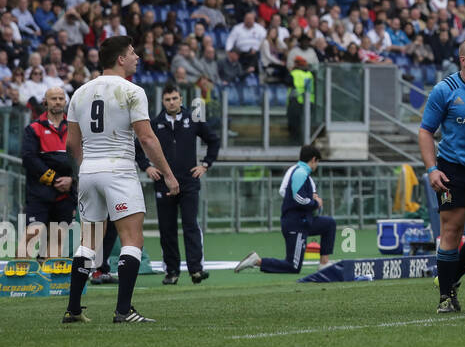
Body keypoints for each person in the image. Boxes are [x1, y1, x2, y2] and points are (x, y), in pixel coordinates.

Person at [63, 37, 181, 324]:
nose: (137, 57)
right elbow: (146, 137)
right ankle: (123, 310)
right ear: (120, 59)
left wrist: (87, 166)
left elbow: (70, 143)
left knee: (88, 241)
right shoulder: (132, 91)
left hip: (89, 169)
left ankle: (74, 309)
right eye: (132, 53)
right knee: (132, 239)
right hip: (119, 169)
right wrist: (167, 173)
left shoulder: (79, 93)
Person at [419, 39, 465, 314]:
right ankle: (445, 297)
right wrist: (431, 168)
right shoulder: (444, 90)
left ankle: (454, 278)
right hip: (453, 169)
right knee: (451, 230)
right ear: (463, 60)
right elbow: (426, 130)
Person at [134, 83, 219, 284]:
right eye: (167, 99)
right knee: (167, 228)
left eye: (174, 98)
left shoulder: (194, 119)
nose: (171, 102)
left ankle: (196, 270)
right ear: (162, 102)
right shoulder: (155, 123)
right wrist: (147, 166)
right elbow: (138, 146)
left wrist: (205, 165)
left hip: (189, 182)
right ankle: (171, 271)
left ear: (181, 99)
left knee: (191, 225)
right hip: (163, 183)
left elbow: (213, 140)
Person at [234, 145, 336, 275]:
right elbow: (298, 198)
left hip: (304, 222)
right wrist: (314, 203)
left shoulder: (304, 174)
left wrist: (313, 199)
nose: (317, 165)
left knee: (329, 224)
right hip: (296, 224)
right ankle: (257, 261)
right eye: (318, 162)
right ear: (313, 159)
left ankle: (324, 263)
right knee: (293, 267)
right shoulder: (300, 173)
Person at [21, 87, 74, 259]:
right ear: (45, 102)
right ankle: (18, 281)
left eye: (61, 98)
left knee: (57, 240)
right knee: (31, 236)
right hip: (39, 193)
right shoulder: (33, 128)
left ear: (66, 102)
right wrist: (56, 179)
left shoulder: (75, 130)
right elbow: (29, 159)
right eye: (53, 98)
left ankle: (50, 283)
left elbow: (81, 159)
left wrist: (72, 180)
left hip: (66, 195)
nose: (57, 102)